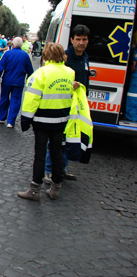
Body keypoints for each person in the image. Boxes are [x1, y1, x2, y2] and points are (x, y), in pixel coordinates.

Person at [18, 42, 74, 201]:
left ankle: (35, 189)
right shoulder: (70, 73)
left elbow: (31, 99)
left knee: (40, 155)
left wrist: (26, 120)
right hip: (61, 120)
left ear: (46, 55)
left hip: (42, 121)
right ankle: (56, 188)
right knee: (57, 153)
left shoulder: (40, 73)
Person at [44, 24, 90, 184]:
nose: (81, 43)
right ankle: (49, 170)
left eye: (84, 39)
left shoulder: (85, 57)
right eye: (78, 39)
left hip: (76, 105)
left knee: (70, 138)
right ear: (72, 40)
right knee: (56, 139)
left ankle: (62, 169)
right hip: (62, 103)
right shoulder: (65, 56)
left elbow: (86, 79)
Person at [0, 37, 33, 128]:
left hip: (7, 81)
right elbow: (30, 70)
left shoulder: (7, 54)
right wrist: (29, 79)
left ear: (13, 44)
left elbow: (0, 66)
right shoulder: (25, 55)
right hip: (19, 82)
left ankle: (2, 117)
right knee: (15, 101)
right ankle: (11, 121)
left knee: (4, 99)